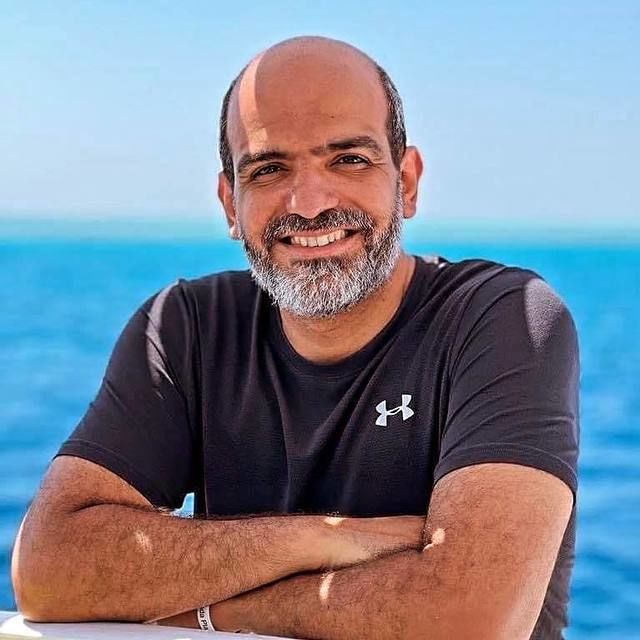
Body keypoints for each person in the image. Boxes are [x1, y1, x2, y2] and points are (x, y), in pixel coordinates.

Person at [11, 36, 579, 639]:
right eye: (269, 169)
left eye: (349, 159)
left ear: (407, 182)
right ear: (231, 204)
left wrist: (214, 613)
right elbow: (49, 571)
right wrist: (325, 538)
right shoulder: (186, 327)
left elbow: (471, 620)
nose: (309, 204)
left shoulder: (504, 317)